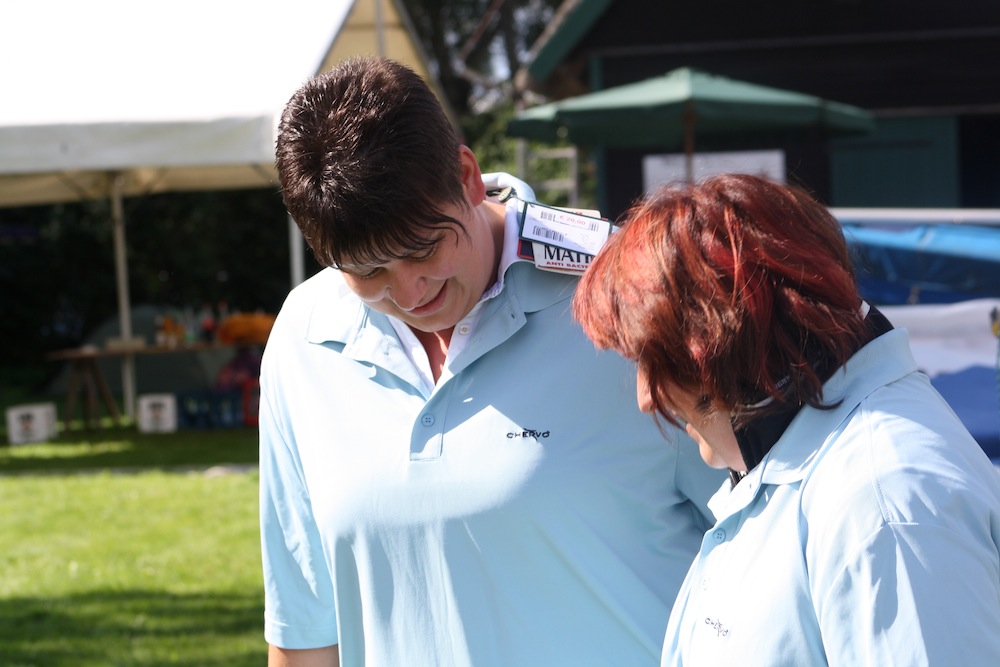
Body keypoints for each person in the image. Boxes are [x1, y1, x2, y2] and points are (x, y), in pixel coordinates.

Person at [259, 55, 725, 667]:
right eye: (368, 272)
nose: (410, 292)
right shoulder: (304, 337)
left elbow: (769, 547)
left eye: (424, 247)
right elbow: (304, 625)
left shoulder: (634, 298)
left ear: (467, 176)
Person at [572, 173, 1000, 665]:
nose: (646, 396)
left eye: (657, 360)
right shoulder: (819, 466)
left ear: (728, 342)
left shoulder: (882, 502)